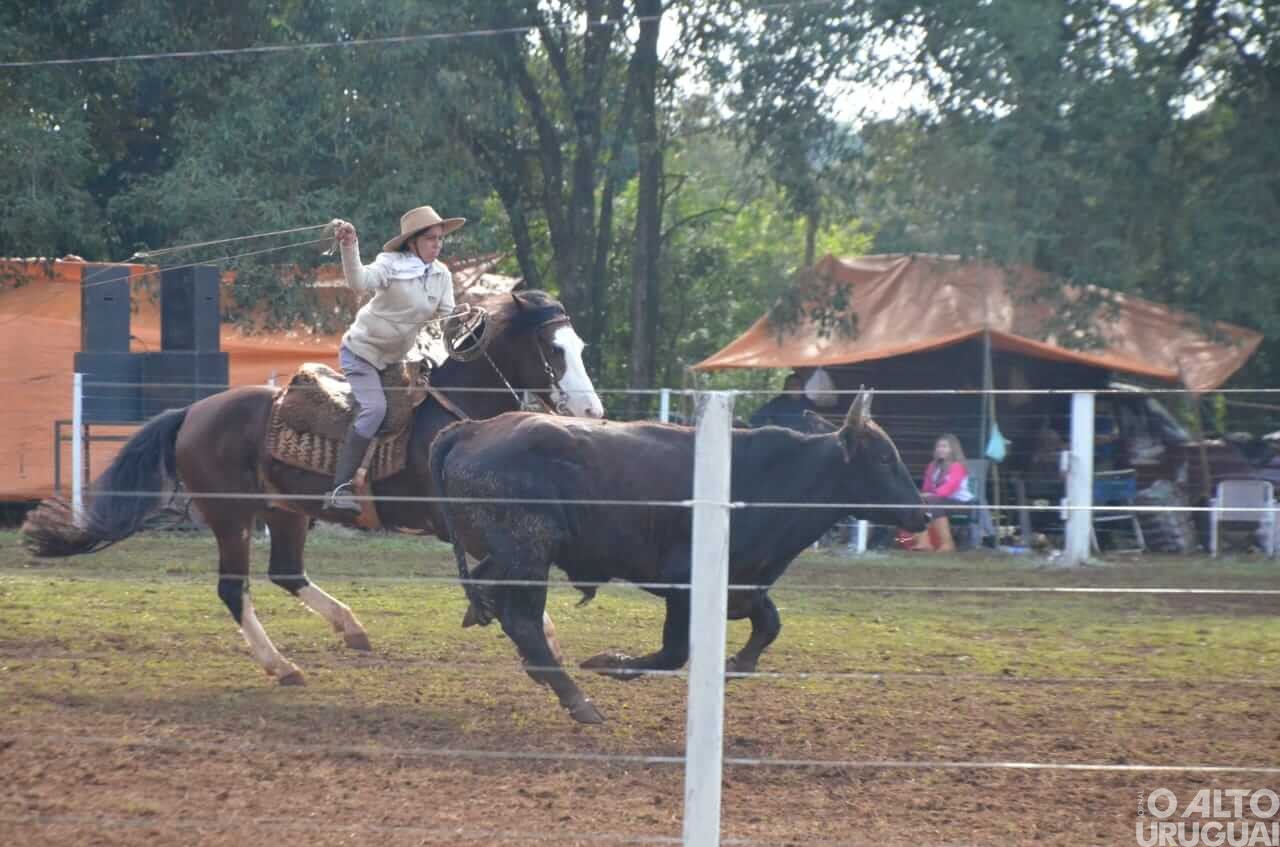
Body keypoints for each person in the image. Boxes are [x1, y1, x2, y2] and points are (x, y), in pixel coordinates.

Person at [325, 206, 465, 512]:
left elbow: (447, 319)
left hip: (396, 359)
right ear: (412, 241)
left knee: (418, 410)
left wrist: (466, 321)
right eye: (430, 238)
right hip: (361, 353)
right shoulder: (391, 264)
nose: (437, 244)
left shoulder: (442, 275)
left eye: (441, 238)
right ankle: (340, 487)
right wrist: (350, 246)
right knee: (375, 410)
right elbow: (359, 281)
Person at [909, 433, 974, 552]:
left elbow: (948, 489)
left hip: (961, 504)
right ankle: (924, 543)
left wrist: (928, 496)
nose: (940, 449)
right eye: (938, 446)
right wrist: (921, 496)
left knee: (933, 502)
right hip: (937, 501)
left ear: (952, 449)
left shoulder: (958, 467)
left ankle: (948, 544)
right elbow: (926, 488)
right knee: (918, 502)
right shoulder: (932, 466)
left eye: (944, 446)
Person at [750, 372, 822, 432]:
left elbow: (818, 426)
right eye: (790, 385)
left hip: (804, 442)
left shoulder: (810, 404)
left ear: (802, 387)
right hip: (782, 441)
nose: (794, 387)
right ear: (786, 388)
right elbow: (756, 419)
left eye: (797, 384)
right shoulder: (777, 403)